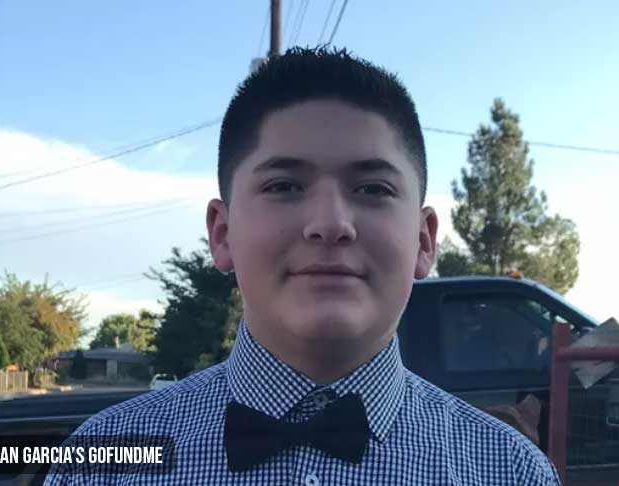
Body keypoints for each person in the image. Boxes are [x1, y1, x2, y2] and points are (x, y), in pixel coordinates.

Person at [45, 46, 560, 485]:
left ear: (424, 240)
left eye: (372, 189)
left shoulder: (509, 471)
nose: (331, 223)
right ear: (222, 234)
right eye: (284, 186)